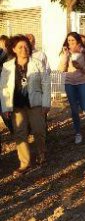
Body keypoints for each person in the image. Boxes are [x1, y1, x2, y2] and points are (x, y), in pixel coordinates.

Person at [0, 35, 51, 175]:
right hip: (17, 105)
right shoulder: (7, 66)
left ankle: (42, 155)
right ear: (14, 49)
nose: (24, 49)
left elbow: (46, 84)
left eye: (26, 46)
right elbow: (3, 88)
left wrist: (46, 103)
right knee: (20, 134)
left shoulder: (37, 63)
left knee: (39, 130)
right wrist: (5, 108)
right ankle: (25, 163)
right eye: (20, 47)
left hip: (35, 103)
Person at [58, 32, 85, 144]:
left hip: (83, 83)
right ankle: (78, 133)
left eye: (73, 40)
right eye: (69, 40)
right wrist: (65, 56)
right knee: (74, 110)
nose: (70, 43)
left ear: (78, 41)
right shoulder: (65, 53)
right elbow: (60, 70)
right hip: (70, 84)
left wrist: (81, 67)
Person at [0, 35, 13, 133]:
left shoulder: (10, 54)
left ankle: (14, 130)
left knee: (7, 111)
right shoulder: (3, 53)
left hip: (6, 86)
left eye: (5, 44)